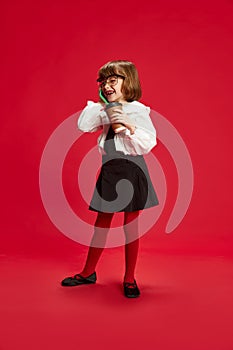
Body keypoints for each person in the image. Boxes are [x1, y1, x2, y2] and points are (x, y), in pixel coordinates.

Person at [61, 60, 159, 298]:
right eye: (103, 81)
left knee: (130, 227)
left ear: (128, 81)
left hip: (132, 168)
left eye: (112, 80)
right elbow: (84, 125)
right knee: (101, 225)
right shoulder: (104, 110)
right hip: (110, 169)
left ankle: (129, 278)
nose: (106, 85)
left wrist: (128, 126)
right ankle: (88, 272)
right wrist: (109, 107)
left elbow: (148, 142)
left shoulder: (137, 110)